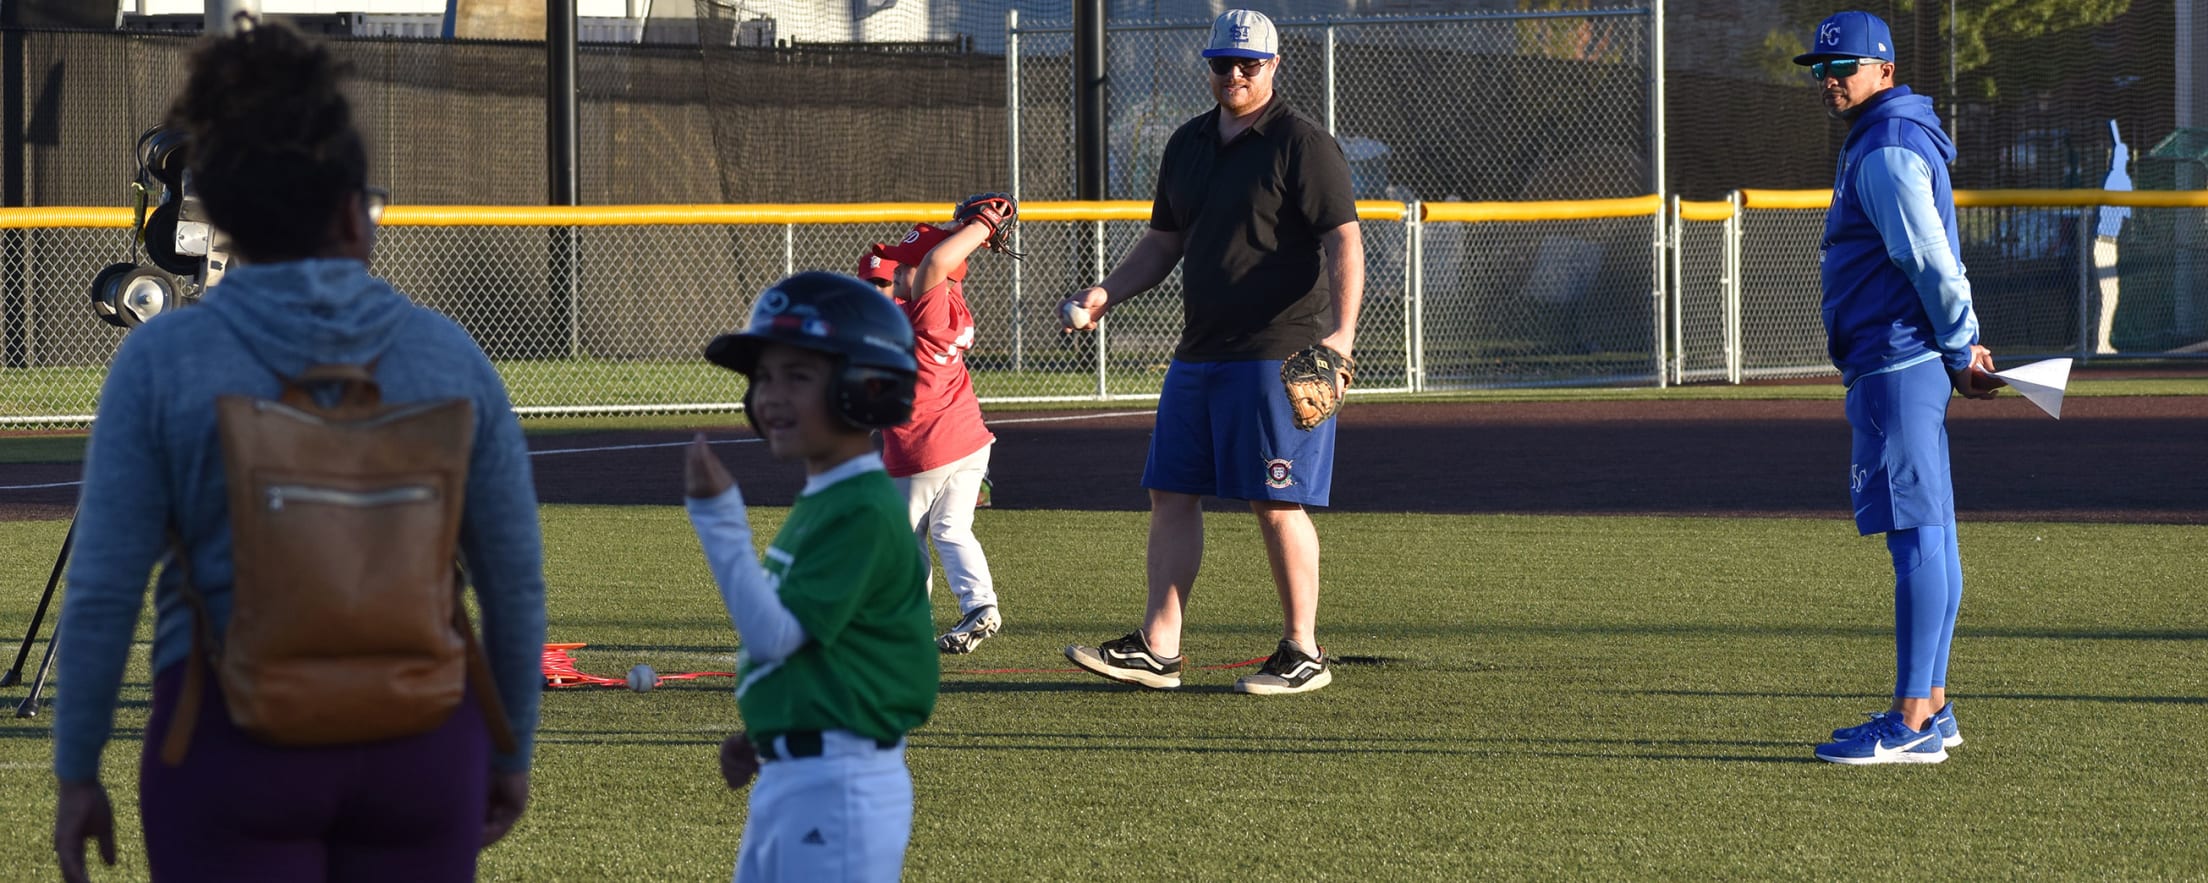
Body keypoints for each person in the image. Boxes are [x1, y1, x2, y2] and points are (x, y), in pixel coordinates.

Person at [51, 20, 545, 880]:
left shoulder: (163, 361)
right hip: (421, 745)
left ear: (228, 221)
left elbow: (103, 591)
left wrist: (77, 768)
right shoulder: (451, 358)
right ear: (356, 213)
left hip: (227, 740)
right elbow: (513, 583)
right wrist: (508, 752)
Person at [1058, 8, 1364, 695]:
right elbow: (1164, 242)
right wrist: (1106, 292)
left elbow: (1344, 239)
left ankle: (1302, 651)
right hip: (1199, 351)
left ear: (1274, 66)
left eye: (1248, 64)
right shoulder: (1189, 143)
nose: (1233, 75)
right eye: (1223, 63)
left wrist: (1340, 337)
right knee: (1171, 491)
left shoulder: (1301, 143)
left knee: (1275, 500)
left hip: (1279, 349)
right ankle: (1158, 647)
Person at [1794, 10, 2001, 765]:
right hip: (1908, 359)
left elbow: (1926, 257)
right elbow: (1934, 257)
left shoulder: (1883, 147)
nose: (1829, 80)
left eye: (1842, 67)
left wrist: (1957, 341)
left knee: (1915, 536)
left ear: (1882, 68)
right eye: (1820, 69)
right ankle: (1934, 705)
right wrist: (1956, 342)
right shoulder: (1896, 135)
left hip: (1896, 360)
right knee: (1933, 531)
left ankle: (1912, 720)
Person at [687, 271, 937, 881]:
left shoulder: (862, 508)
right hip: (802, 773)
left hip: (840, 785)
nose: (771, 395)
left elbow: (775, 636)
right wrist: (772, 729)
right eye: (764, 377)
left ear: (866, 385)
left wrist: (718, 519)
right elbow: (822, 650)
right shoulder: (827, 499)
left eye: (798, 376)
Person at [864, 215, 1003, 654]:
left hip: (924, 447)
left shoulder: (925, 305)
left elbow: (938, 261)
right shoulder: (952, 304)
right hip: (969, 441)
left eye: (905, 267)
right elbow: (944, 261)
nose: (898, 273)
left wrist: (986, 223)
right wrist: (960, 227)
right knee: (951, 529)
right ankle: (980, 606)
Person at [2093, 119, 2130, 355]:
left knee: (2106, 295)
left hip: (2105, 244)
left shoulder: (2110, 177)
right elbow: (2128, 214)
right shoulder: (2119, 179)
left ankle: (2099, 343)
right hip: (2105, 244)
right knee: (2109, 295)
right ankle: (2101, 345)